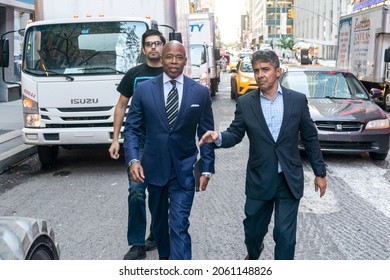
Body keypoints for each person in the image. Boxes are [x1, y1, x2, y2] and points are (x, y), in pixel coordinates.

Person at [199, 50, 327, 260]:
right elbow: (235, 134)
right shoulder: (246, 102)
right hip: (259, 178)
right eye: (257, 70)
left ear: (278, 71)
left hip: (288, 179)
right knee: (253, 231)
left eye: (265, 70)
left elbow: (310, 138)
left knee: (285, 236)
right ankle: (254, 251)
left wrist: (319, 173)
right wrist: (218, 137)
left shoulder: (297, 101)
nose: (260, 75)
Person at [123, 40, 215, 260]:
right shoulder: (144, 90)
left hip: (184, 172)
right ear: (161, 59)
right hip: (154, 171)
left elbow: (206, 135)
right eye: (169, 57)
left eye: (179, 57)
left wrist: (206, 169)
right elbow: (132, 129)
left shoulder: (199, 93)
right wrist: (133, 160)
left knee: (179, 225)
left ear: (185, 60)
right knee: (160, 227)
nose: (174, 62)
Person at [108, 29, 166, 260]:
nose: (153, 47)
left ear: (164, 46)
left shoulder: (173, 72)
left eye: (157, 43)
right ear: (143, 49)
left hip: (163, 143)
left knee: (160, 193)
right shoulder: (134, 74)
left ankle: (156, 234)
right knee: (136, 192)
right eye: (149, 44)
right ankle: (137, 244)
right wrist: (115, 139)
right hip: (139, 142)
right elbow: (121, 106)